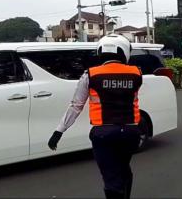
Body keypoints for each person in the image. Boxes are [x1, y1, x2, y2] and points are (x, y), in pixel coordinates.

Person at [48, 34, 143, 199]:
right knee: (123, 168)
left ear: (101, 52)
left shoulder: (90, 75)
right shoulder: (136, 73)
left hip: (104, 135)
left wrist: (59, 131)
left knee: (111, 178)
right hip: (131, 133)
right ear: (124, 52)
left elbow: (76, 106)